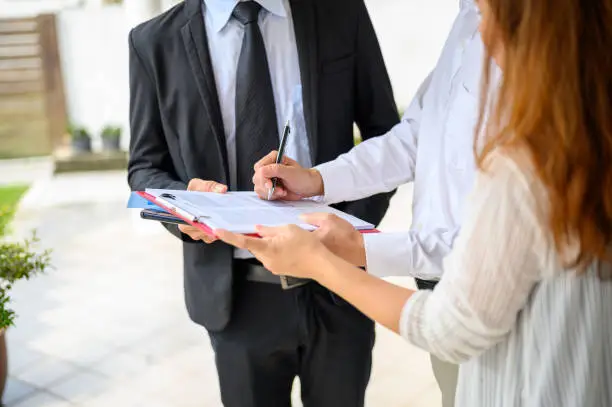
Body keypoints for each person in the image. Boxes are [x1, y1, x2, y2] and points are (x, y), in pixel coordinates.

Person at [217, 0, 612, 405]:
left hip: (506, 351)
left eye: (488, 16)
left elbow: (454, 324)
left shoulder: (520, 164)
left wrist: (322, 263)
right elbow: (418, 133)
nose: (483, 29)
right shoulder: (584, 123)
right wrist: (319, 181)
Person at [126, 0, 399, 406]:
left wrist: (348, 234)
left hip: (339, 283)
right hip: (237, 297)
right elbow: (145, 167)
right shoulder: (153, 41)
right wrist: (183, 207)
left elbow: (385, 136)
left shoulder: (341, 12)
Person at [253, 1, 486, 405]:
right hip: (438, 283)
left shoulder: (535, 43)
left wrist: (360, 250)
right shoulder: (468, 18)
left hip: (487, 297)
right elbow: (413, 136)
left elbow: (494, 243)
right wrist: (317, 180)